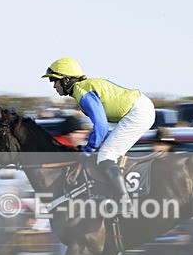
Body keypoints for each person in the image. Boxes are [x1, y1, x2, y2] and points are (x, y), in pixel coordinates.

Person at [42, 57, 155, 202]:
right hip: (139, 109)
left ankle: (124, 201)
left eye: (54, 81)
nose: (54, 86)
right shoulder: (83, 89)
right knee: (106, 153)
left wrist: (88, 150)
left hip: (138, 112)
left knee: (106, 155)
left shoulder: (82, 92)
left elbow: (101, 126)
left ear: (66, 80)